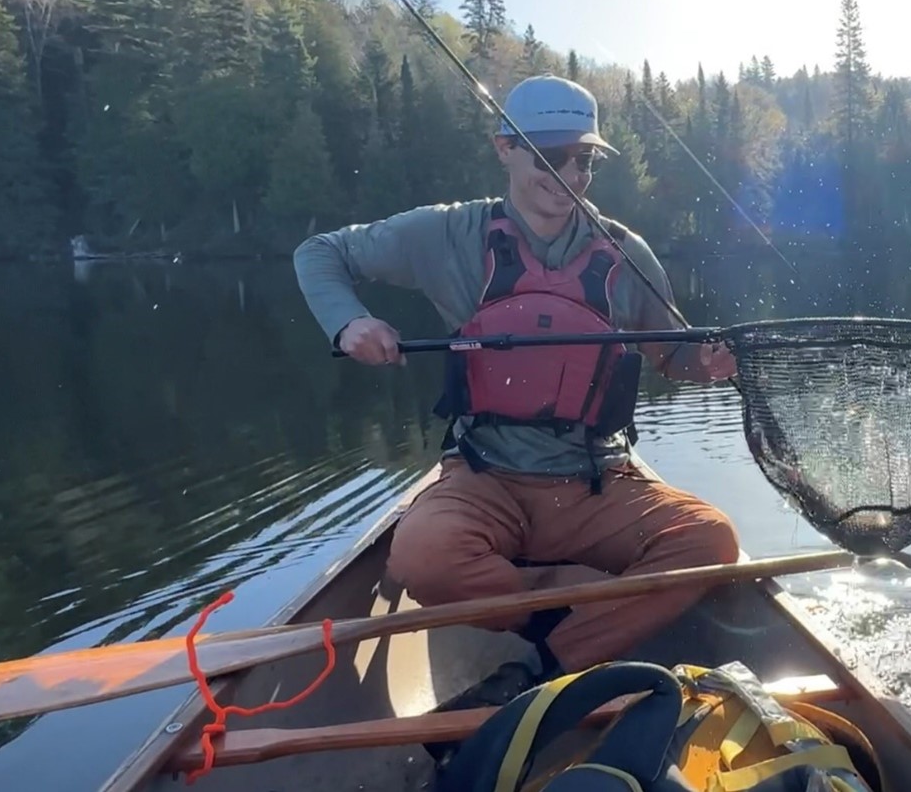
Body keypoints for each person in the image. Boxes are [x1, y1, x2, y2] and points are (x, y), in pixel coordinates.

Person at [293, 73, 740, 706]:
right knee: (421, 557)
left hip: (597, 480)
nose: (569, 175)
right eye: (550, 156)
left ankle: (542, 666)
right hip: (486, 475)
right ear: (505, 148)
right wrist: (349, 322)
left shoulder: (627, 253)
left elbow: (672, 353)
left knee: (711, 540)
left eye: (583, 159)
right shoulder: (449, 234)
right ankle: (577, 603)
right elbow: (320, 253)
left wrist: (709, 363)